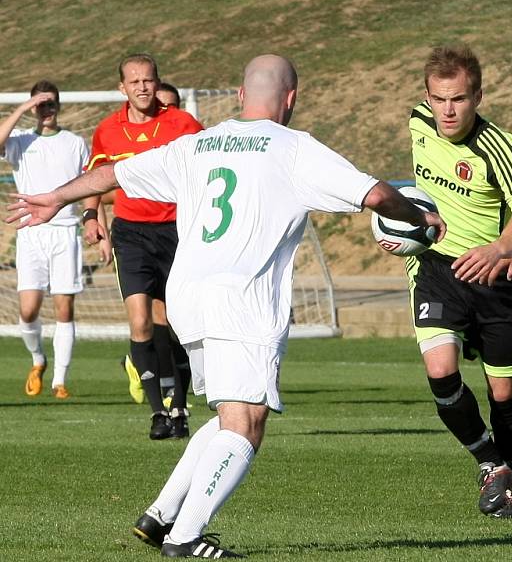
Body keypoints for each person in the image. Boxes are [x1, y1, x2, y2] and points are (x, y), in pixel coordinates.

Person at [7, 53, 446, 558]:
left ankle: (161, 515)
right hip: (244, 301)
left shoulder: (198, 142)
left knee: (225, 416)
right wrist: (419, 215)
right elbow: (372, 194)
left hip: (189, 298)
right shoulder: (295, 148)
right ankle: (186, 537)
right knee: (247, 423)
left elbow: (113, 176)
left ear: (240, 96)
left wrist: (56, 197)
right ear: (291, 99)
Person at [407, 45, 512, 518]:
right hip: (437, 271)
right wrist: (405, 229)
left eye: (460, 99)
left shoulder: (501, 149)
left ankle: (507, 480)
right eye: (439, 99)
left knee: (503, 393)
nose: (448, 110)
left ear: (478, 96)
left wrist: (499, 249)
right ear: (427, 97)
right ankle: (491, 464)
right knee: (441, 372)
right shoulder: (418, 122)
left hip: (496, 279)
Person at [83, 54, 203, 439]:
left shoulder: (182, 124)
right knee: (140, 321)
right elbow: (97, 178)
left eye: (148, 80)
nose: (142, 87)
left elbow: (208, 166)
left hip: (175, 231)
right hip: (131, 232)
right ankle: (157, 413)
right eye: (134, 81)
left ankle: (180, 406)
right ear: (122, 88)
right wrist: (91, 217)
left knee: (175, 321)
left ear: (157, 82)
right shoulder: (107, 130)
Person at [0, 81, 88, 399]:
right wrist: (22, 109)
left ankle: (59, 381)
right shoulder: (20, 141)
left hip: (65, 231)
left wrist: (95, 224)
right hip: (30, 232)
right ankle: (38, 360)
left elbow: (90, 187)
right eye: (40, 105)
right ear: (33, 108)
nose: (46, 110)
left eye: (51, 104)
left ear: (59, 106)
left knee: (64, 308)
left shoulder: (75, 142)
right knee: (27, 310)